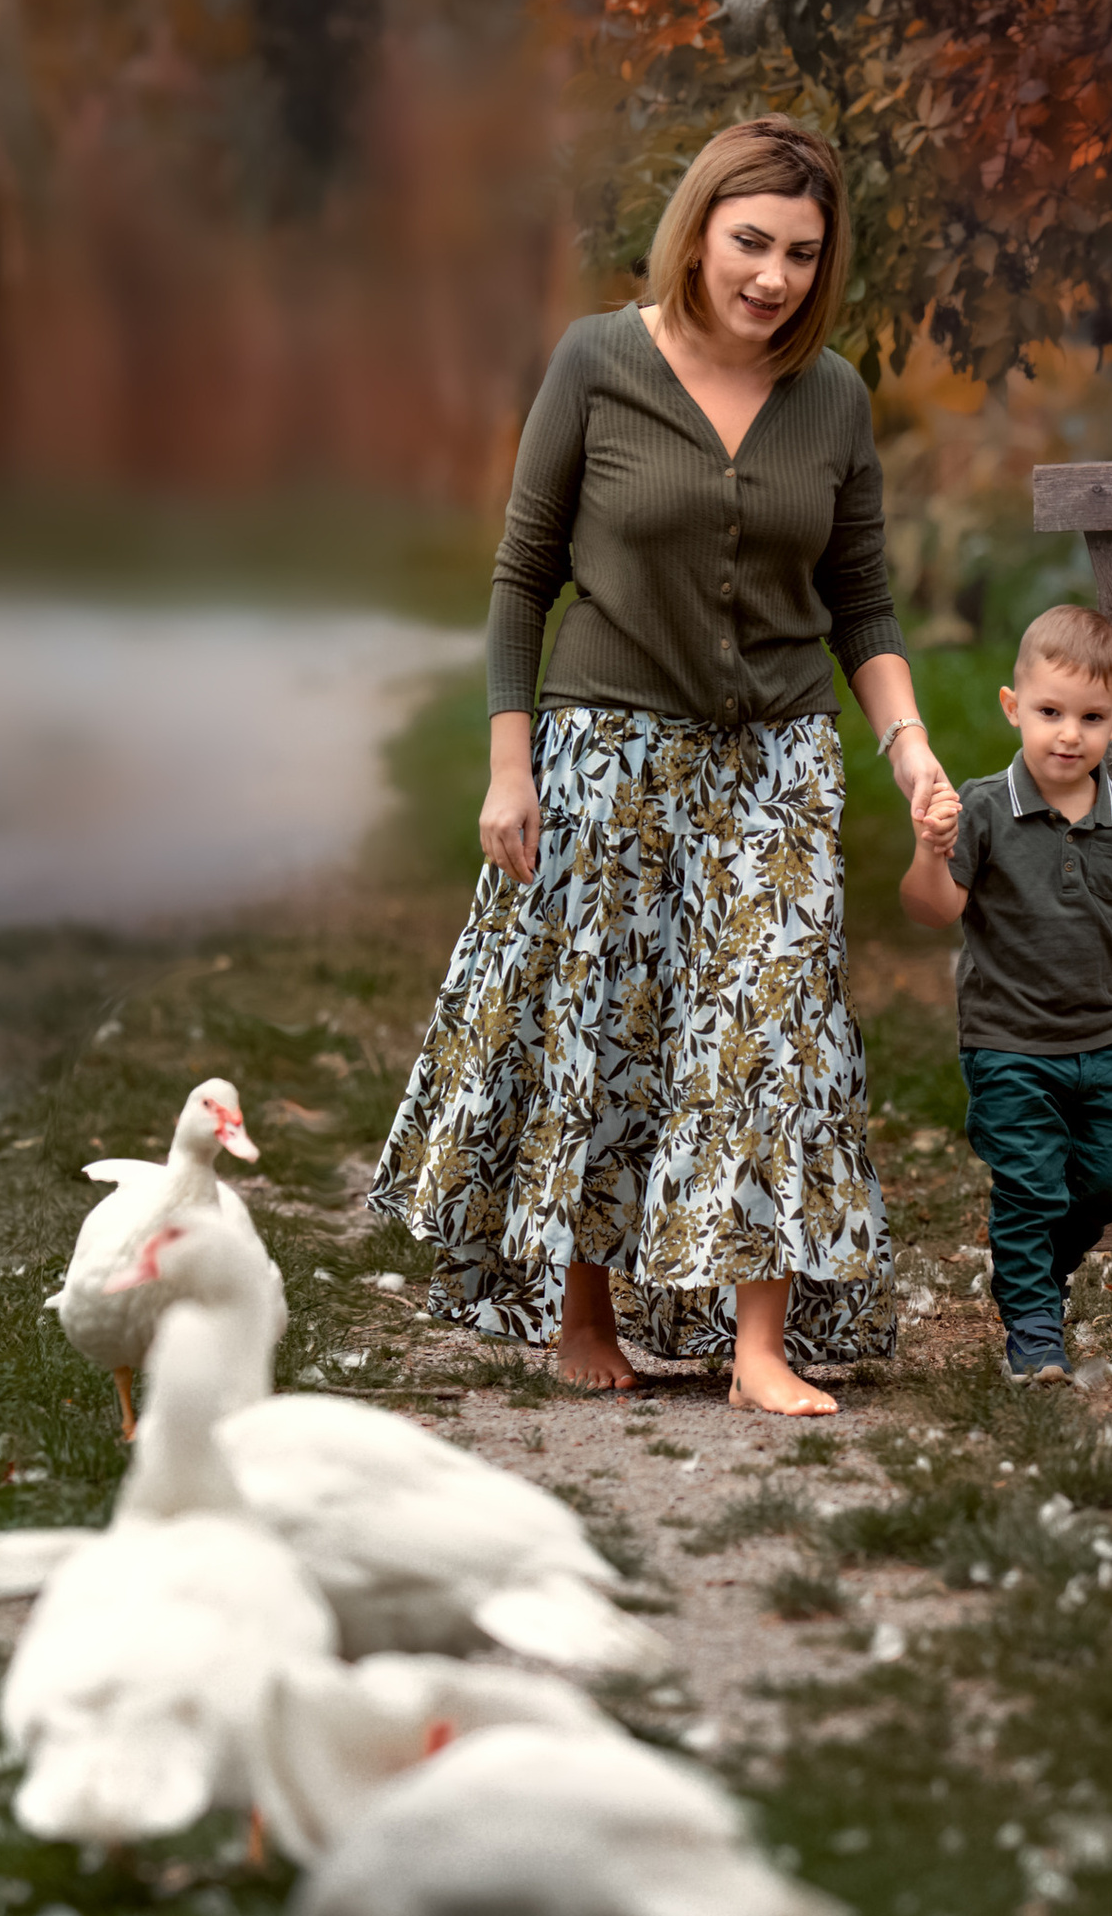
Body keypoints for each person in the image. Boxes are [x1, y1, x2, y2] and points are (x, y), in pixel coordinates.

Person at [373, 116, 956, 1418]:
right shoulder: (598, 359)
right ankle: (585, 1306)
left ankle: (758, 1346)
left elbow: (863, 603)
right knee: (610, 1025)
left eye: (802, 253)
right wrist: (509, 767)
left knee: (776, 1028)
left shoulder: (834, 396)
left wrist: (910, 746)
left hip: (779, 756)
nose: (775, 275)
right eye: (751, 241)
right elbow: (524, 574)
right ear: (696, 234)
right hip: (610, 743)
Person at [899, 602, 1112, 1382]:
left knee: (1107, 1189)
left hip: (1107, 1045)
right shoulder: (984, 808)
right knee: (1030, 1190)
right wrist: (930, 851)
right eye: (1050, 712)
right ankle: (1034, 1332)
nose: (1068, 734)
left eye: (1090, 717)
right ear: (1013, 707)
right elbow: (931, 910)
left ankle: (1034, 1271)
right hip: (1010, 1047)